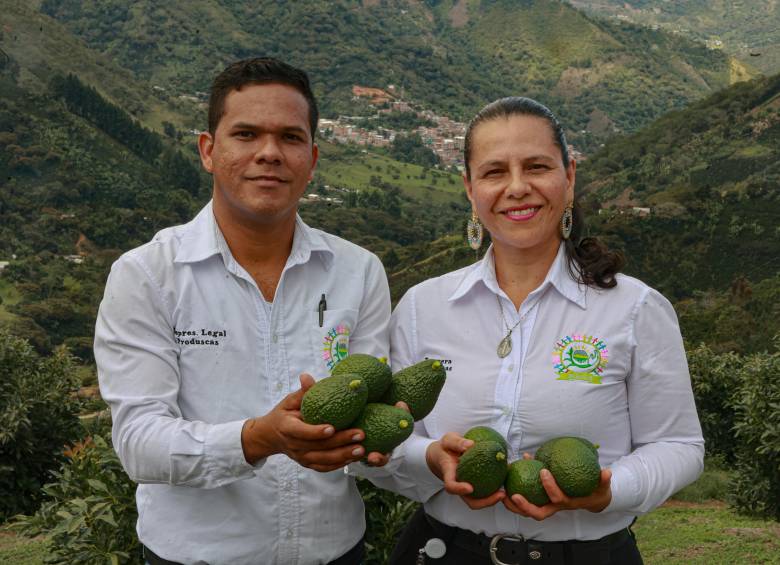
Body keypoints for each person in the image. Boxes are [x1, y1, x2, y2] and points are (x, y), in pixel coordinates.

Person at [359, 97, 704, 564]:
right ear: (469, 187)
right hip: (443, 551)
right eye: (494, 171)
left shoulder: (635, 308)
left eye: (536, 166)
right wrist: (430, 459)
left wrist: (608, 491)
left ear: (570, 176)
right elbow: (387, 438)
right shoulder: (424, 306)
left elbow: (679, 446)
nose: (517, 187)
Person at [94, 57, 392, 565]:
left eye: (291, 138)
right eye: (247, 134)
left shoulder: (358, 271)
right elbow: (139, 441)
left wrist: (378, 442)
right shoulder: (147, 275)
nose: (270, 153)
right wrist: (255, 439)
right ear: (209, 150)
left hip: (337, 552)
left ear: (313, 157)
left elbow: (372, 405)